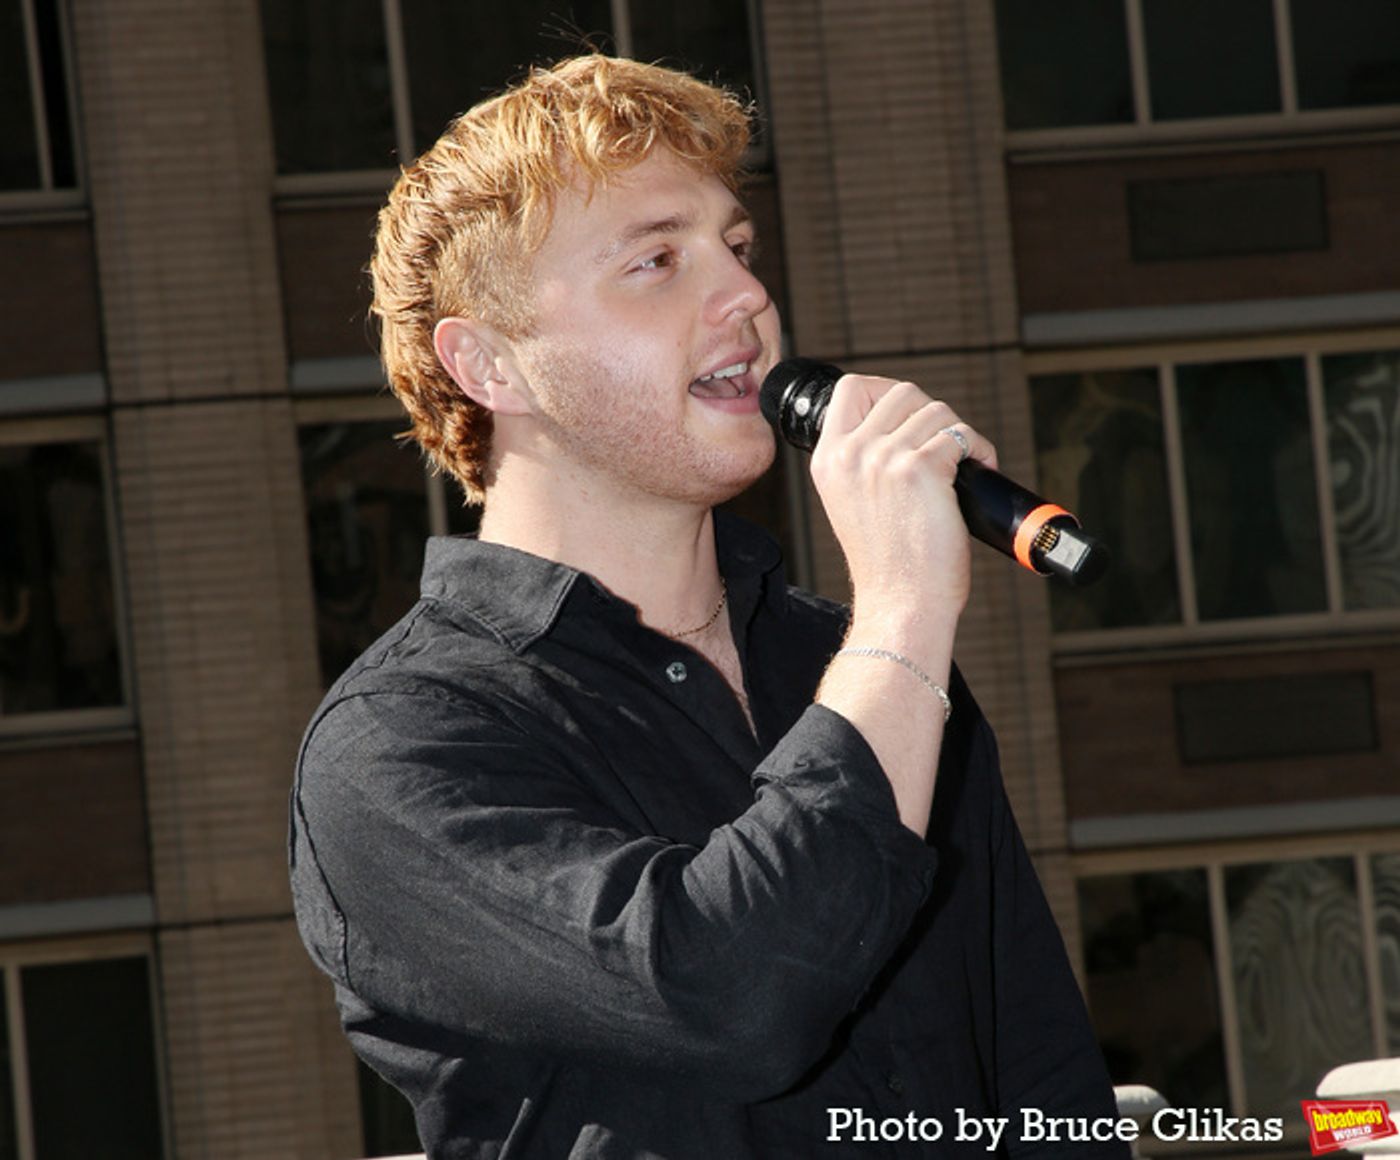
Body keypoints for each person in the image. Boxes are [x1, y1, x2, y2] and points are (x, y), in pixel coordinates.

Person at [290, 54, 1126, 1158]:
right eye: (655, 260)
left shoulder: (853, 661)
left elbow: (1038, 1072)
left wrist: (892, 631)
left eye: (735, 248)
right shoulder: (399, 744)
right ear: (489, 361)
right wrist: (908, 603)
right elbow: (729, 993)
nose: (744, 295)